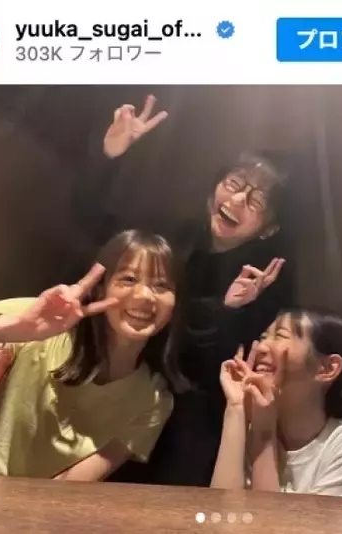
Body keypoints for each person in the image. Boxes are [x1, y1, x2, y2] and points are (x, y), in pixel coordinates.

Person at [98, 95, 296, 486]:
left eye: (256, 200)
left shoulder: (266, 283)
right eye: (234, 183)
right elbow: (100, 232)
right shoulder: (174, 240)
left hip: (188, 425)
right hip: (127, 392)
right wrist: (112, 156)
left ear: (269, 228)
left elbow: (213, 367)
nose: (236, 199)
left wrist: (230, 309)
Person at [0, 230, 187, 481]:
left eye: (161, 285)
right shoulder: (41, 324)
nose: (144, 296)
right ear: (100, 289)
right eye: (128, 279)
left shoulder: (153, 401)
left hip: (27, 510)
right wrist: (17, 327)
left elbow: (68, 487)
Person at [211, 310, 342, 497]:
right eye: (263, 337)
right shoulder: (247, 433)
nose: (261, 347)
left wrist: (264, 436)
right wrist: (236, 407)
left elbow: (268, 517)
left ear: (327, 368)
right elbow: (220, 511)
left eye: (280, 336)